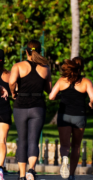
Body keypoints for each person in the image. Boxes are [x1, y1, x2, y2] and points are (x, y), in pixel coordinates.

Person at [49, 57, 93, 180]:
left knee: (65, 145)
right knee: (76, 146)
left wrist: (61, 95)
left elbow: (51, 97)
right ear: (82, 68)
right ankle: (71, 174)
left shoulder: (61, 81)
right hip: (79, 116)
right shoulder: (85, 81)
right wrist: (91, 103)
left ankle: (65, 158)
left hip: (64, 116)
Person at [10, 40, 52, 180]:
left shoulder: (18, 66)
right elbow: (48, 89)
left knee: (22, 140)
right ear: (39, 51)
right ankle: (31, 171)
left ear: (26, 51)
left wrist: (13, 93)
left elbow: (11, 82)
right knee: (33, 140)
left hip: (21, 105)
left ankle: (22, 175)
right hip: (38, 106)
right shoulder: (45, 67)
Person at [0, 49, 11, 180]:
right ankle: (0, 168)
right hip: (4, 109)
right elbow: (15, 91)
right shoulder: (9, 75)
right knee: (2, 140)